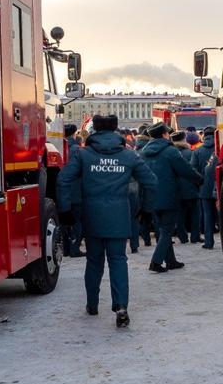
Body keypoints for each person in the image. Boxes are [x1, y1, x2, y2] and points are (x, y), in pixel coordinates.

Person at [58, 115, 157, 328]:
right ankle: (121, 306)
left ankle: (92, 304)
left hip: (92, 215)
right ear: (115, 130)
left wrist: (65, 210)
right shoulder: (128, 156)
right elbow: (151, 181)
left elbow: (63, 180)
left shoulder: (83, 155)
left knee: (94, 261)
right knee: (118, 260)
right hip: (119, 216)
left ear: (94, 130)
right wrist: (145, 209)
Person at [141, 124, 202, 272]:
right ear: (164, 135)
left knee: (162, 230)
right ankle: (155, 262)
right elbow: (185, 170)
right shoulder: (170, 151)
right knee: (167, 230)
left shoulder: (143, 152)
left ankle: (171, 261)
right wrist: (200, 179)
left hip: (151, 197)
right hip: (168, 196)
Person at [170, 131, 200, 244]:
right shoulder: (191, 153)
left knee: (180, 215)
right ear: (184, 140)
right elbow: (194, 170)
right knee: (195, 214)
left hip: (176, 188)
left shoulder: (171, 154)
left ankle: (182, 237)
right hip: (191, 187)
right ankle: (195, 236)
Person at [194, 126, 218, 249]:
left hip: (204, 188)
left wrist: (200, 182)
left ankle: (209, 242)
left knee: (207, 215)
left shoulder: (198, 151)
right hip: (219, 187)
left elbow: (193, 169)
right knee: (222, 215)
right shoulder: (219, 148)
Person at [62, 124, 85, 258]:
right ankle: (74, 248)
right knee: (77, 220)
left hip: (62, 189)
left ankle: (65, 248)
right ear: (74, 134)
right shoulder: (77, 149)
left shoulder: (59, 146)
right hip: (76, 189)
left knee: (65, 220)